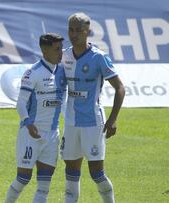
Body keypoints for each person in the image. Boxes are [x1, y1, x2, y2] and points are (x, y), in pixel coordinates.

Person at [60, 12, 125, 203]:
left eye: (78, 30)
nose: (74, 34)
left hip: (93, 122)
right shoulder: (64, 56)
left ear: (88, 31)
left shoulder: (99, 58)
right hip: (71, 122)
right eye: (71, 30)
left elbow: (120, 88)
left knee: (97, 173)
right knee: (71, 171)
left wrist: (112, 119)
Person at [5, 33, 67, 203]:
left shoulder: (63, 71)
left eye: (61, 48)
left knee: (44, 185)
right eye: (56, 49)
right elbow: (21, 103)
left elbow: (65, 103)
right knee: (23, 179)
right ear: (45, 50)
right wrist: (28, 122)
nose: (61, 53)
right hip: (30, 135)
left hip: (52, 136)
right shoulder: (32, 73)